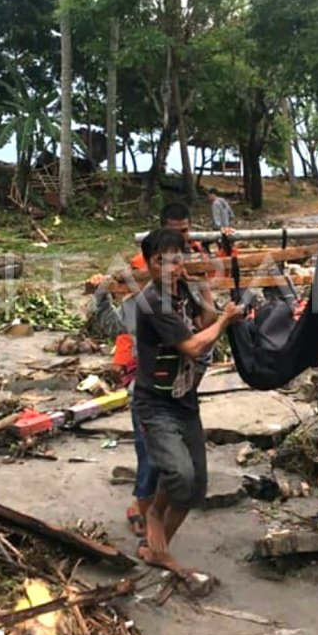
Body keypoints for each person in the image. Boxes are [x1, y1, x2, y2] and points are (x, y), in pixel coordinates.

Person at [133, 228, 243, 586]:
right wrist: (227, 320)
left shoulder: (182, 292)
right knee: (179, 473)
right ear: (148, 264)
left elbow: (203, 323)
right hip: (156, 403)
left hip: (185, 400)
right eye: (160, 261)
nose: (170, 267)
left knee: (196, 487)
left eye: (176, 259)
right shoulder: (152, 302)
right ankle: (152, 515)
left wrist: (207, 291)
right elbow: (194, 346)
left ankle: (157, 551)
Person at [94, 202, 209, 539]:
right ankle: (142, 510)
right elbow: (118, 325)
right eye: (177, 230)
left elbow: (205, 321)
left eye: (187, 232)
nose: (184, 237)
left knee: (172, 461)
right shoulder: (142, 287)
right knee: (153, 456)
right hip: (146, 383)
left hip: (181, 385)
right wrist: (102, 290)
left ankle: (154, 518)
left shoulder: (190, 273)